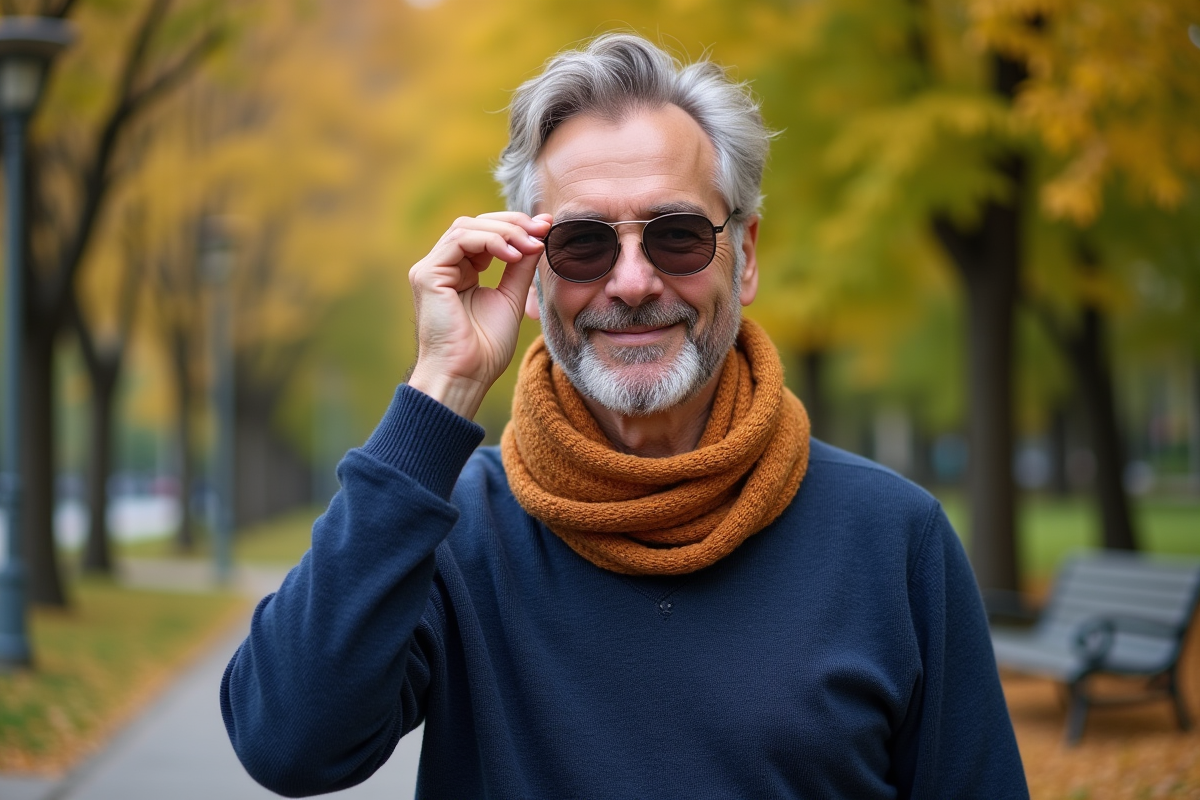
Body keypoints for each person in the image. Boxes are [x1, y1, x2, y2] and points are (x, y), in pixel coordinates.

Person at [221, 33, 1029, 799]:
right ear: (531, 277)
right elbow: (287, 740)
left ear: (744, 256)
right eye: (583, 244)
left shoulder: (893, 539)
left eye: (677, 235)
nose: (634, 282)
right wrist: (440, 388)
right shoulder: (454, 532)